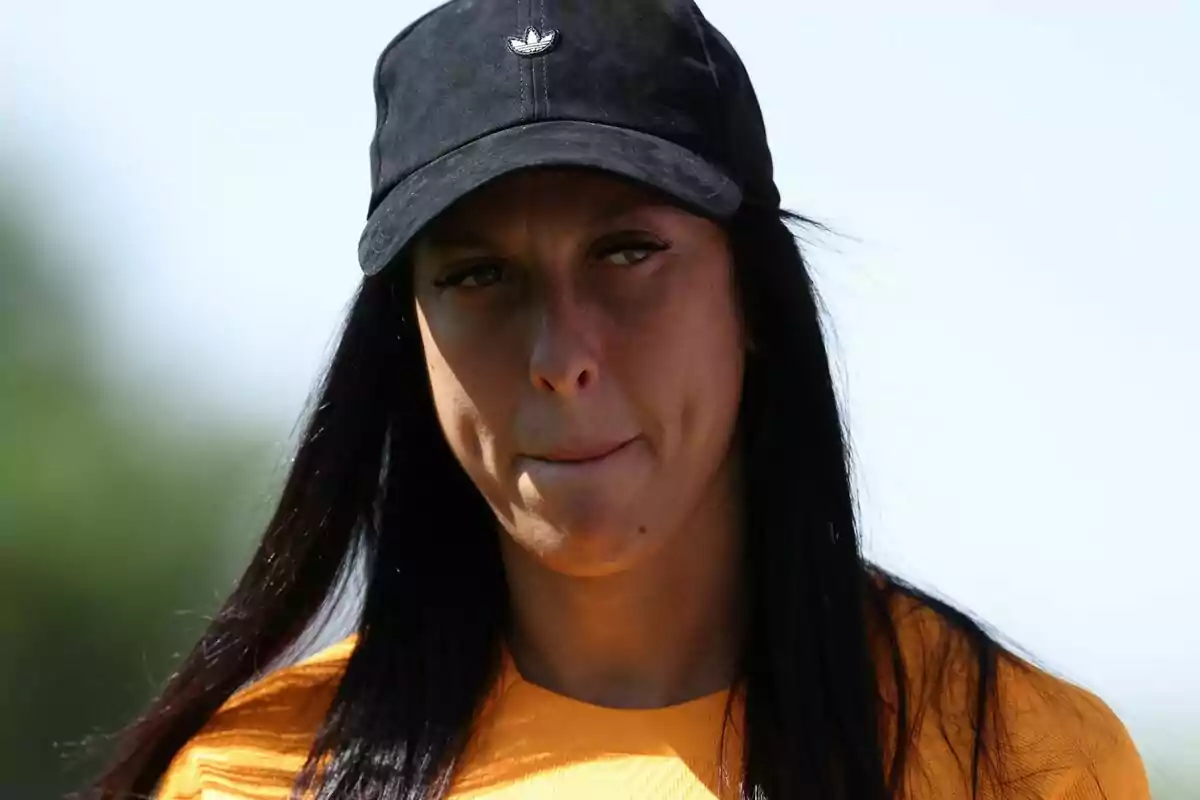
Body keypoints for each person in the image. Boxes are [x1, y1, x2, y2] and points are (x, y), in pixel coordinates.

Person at [86, 1, 1150, 798]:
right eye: (477, 275)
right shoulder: (257, 777)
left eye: (628, 251)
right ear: (410, 336)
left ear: (755, 301)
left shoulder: (1017, 759)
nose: (560, 355)